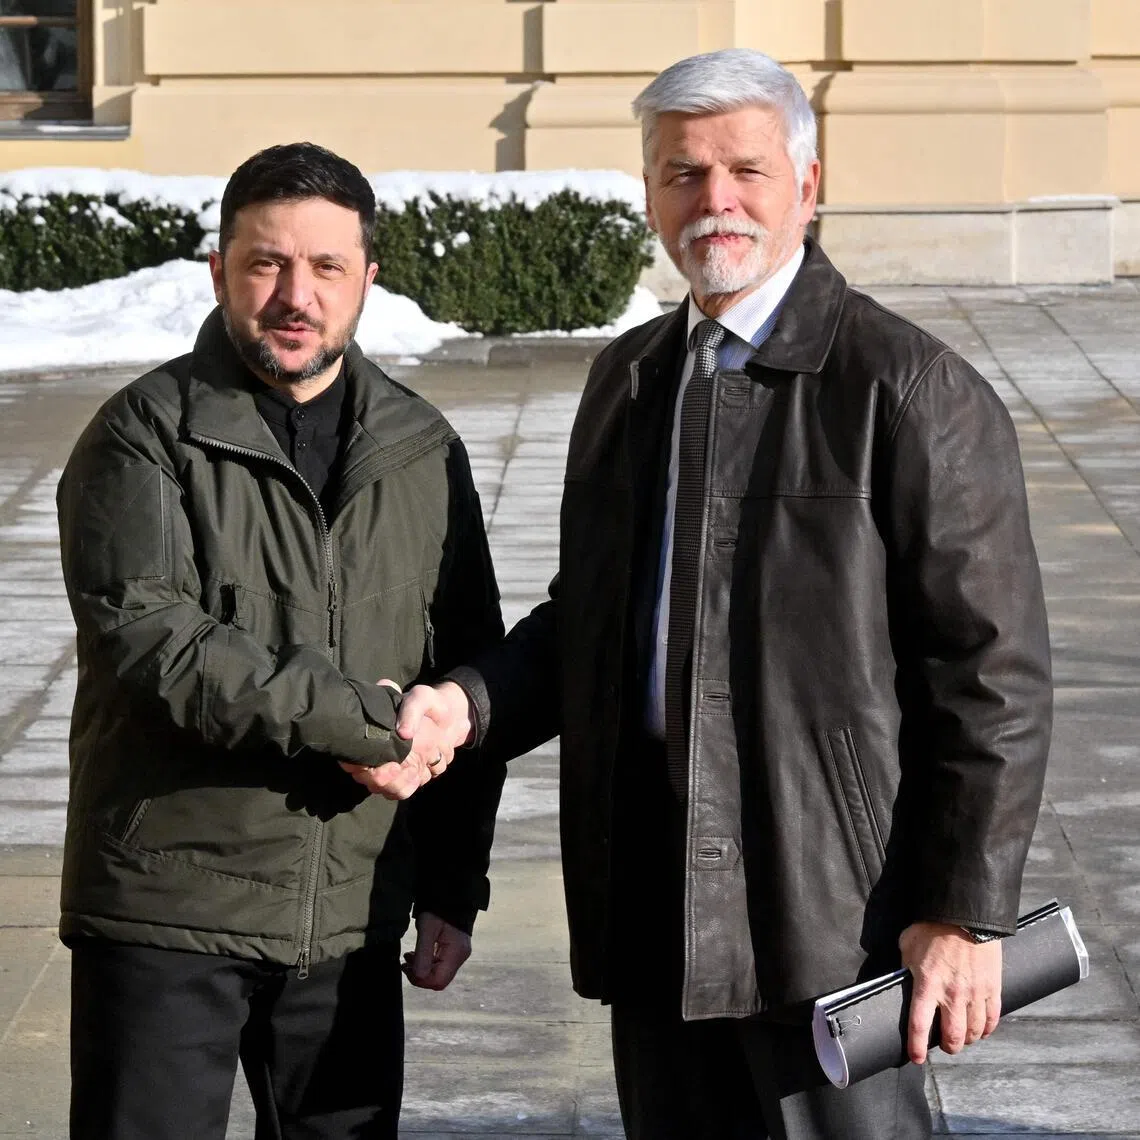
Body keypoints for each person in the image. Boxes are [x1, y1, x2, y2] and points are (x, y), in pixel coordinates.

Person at [375, 49, 1053, 1140]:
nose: (714, 200)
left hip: (831, 915)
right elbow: (593, 625)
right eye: (683, 175)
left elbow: (994, 677)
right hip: (653, 900)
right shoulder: (633, 376)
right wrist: (469, 702)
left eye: (745, 169)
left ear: (809, 184)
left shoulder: (907, 389)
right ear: (650, 193)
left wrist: (963, 914)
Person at [55, 142, 505, 1140]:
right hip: (168, 910)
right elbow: (156, 643)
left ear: (368, 280)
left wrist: (451, 887)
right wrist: (371, 726)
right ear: (218, 270)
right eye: (266, 264)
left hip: (348, 923)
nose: (295, 295)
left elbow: (467, 671)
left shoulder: (422, 448)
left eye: (326, 268)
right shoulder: (143, 436)